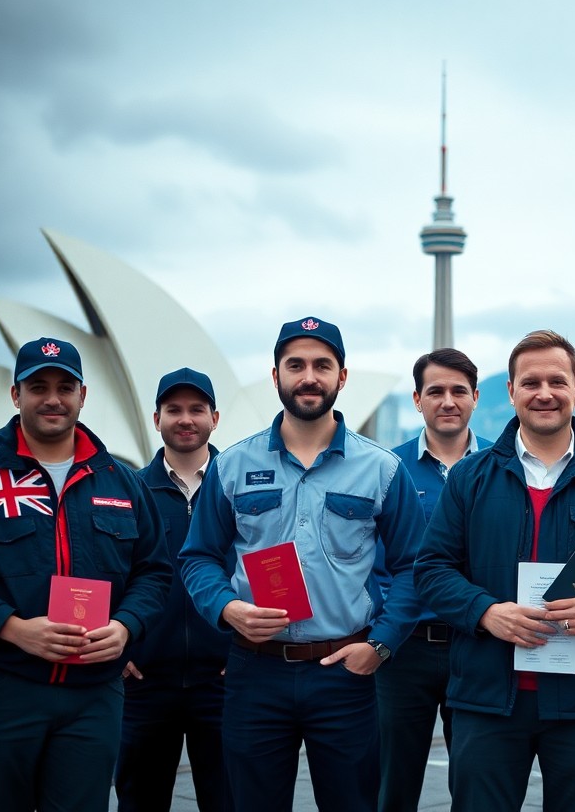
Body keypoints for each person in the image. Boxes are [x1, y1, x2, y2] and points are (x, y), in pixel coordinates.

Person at [414, 329, 575, 812]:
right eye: (530, 383)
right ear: (511, 392)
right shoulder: (470, 477)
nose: (544, 393)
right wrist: (486, 612)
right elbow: (432, 569)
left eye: (557, 381)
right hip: (487, 698)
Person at [0, 336, 170, 812]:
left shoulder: (123, 484)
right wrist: (12, 628)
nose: (53, 399)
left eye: (64, 387)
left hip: (94, 694)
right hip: (3, 685)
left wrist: (125, 626)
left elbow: (154, 572)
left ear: (82, 395)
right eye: (38, 387)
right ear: (16, 395)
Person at [179, 316, 425, 812]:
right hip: (255, 671)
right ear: (276, 376)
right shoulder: (232, 466)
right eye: (295, 365)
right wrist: (227, 608)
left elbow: (415, 567)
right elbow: (198, 557)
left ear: (342, 376)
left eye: (321, 365)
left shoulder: (382, 469)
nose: (308, 377)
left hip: (346, 672)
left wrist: (380, 645)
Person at [378, 348, 493, 812]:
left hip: (478, 644)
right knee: (392, 783)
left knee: (477, 782)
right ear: (417, 399)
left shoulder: (502, 465)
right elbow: (372, 557)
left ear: (476, 398)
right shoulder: (388, 468)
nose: (448, 401)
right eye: (436, 391)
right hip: (404, 648)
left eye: (459, 391)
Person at [116, 368, 232, 811]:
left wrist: (246, 649)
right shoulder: (128, 491)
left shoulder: (238, 486)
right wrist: (120, 651)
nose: (186, 419)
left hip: (223, 681)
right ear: (156, 419)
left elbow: (266, 568)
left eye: (197, 409)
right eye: (174, 409)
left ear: (214, 418)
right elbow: (103, 571)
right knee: (140, 801)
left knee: (229, 800)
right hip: (143, 682)